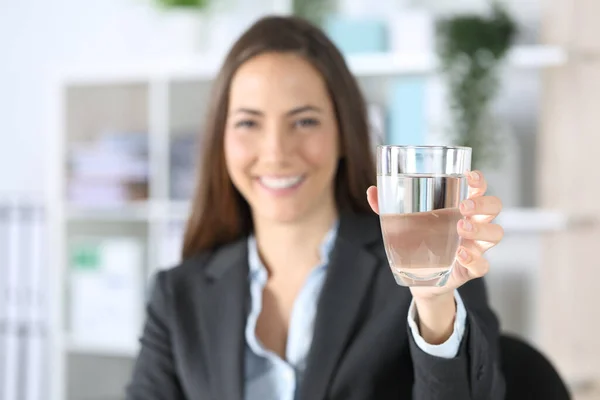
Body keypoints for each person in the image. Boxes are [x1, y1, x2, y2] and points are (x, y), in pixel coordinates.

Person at [126, 15, 506, 400]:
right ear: (220, 138)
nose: (276, 152)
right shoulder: (177, 295)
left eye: (305, 121)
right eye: (248, 123)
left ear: (344, 132)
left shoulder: (427, 264)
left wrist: (432, 299)